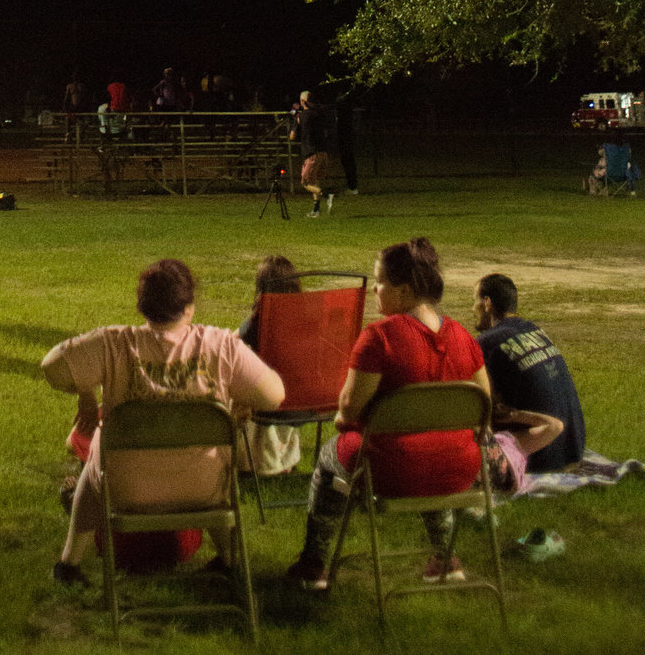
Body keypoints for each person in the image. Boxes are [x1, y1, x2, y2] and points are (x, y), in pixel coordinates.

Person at [41, 257, 286, 586]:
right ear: (189, 306)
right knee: (212, 460)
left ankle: (69, 563)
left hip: (123, 490)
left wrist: (86, 391)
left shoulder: (115, 344)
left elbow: (52, 366)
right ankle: (231, 561)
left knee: (99, 447)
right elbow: (274, 396)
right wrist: (233, 400)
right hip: (205, 489)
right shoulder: (220, 346)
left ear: (142, 306)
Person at [286, 237, 490, 590]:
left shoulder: (380, 338)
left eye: (379, 282)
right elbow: (483, 404)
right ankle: (446, 559)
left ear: (403, 291)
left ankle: (313, 566)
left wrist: (344, 420)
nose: (374, 290)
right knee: (428, 447)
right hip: (461, 466)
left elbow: (349, 409)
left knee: (328, 457)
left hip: (393, 469)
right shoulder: (462, 337)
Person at [473, 274, 587, 471]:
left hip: (542, 457)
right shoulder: (534, 331)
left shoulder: (487, 343)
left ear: (487, 303)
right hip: (573, 447)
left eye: (474, 301)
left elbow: (481, 404)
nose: (472, 309)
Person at [236, 255, 304, 476]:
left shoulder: (258, 323)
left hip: (269, 404)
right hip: (303, 404)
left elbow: (233, 345)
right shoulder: (308, 323)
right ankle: (284, 459)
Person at [292, 91, 338, 216]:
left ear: (303, 101)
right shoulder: (319, 113)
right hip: (323, 152)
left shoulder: (303, 116)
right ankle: (316, 210)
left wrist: (295, 122)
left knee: (306, 183)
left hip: (312, 153)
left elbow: (292, 136)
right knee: (315, 180)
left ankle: (326, 194)